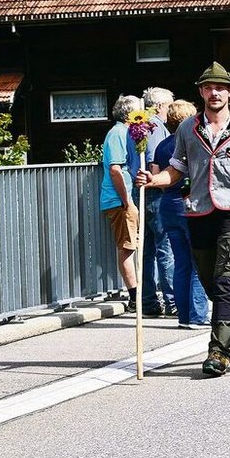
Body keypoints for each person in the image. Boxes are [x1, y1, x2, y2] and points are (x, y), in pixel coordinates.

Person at [135, 63, 230, 377]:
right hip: (198, 211)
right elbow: (175, 170)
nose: (214, 92)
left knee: (226, 279)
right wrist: (153, 180)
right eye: (209, 87)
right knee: (212, 285)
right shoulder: (187, 129)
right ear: (201, 92)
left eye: (220, 87)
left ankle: (217, 353)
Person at [151, 99, 209, 328]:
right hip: (190, 203)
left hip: (168, 204)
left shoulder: (162, 146)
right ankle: (198, 314)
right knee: (197, 262)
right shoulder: (194, 141)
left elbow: (157, 177)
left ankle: (183, 315)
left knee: (181, 262)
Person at [100, 94, 144, 309]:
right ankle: (135, 297)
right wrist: (126, 201)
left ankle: (137, 294)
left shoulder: (123, 132)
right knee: (127, 247)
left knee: (131, 245)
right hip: (120, 199)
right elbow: (116, 169)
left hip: (123, 197)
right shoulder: (118, 133)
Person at [140, 87, 176, 317]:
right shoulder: (154, 127)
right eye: (170, 104)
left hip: (148, 191)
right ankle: (172, 300)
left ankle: (148, 301)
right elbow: (154, 161)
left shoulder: (145, 125)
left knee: (149, 249)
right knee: (164, 248)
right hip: (156, 192)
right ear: (161, 105)